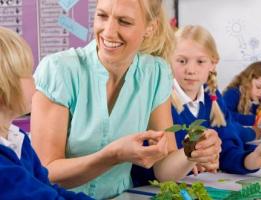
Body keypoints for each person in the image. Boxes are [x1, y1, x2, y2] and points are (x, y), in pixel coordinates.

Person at [31, 1, 221, 199]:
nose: (109, 32)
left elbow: (163, 171)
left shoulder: (155, 73)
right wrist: (113, 156)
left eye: (124, 21)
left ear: (150, 28)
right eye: (102, 16)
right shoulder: (59, 70)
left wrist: (191, 153)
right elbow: (46, 174)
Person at [170, 25, 261, 175]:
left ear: (213, 63)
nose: (190, 70)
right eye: (182, 61)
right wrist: (187, 162)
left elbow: (227, 151)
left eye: (200, 61)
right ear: (169, 59)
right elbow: (152, 163)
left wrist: (253, 159)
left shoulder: (213, 97)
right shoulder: (161, 100)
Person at [0, 27, 93, 200]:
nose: (34, 79)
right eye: (27, 74)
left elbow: (49, 189)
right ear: (3, 89)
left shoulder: (18, 139)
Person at [223, 61, 261, 130]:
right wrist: (254, 119)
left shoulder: (256, 100)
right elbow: (224, 116)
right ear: (247, 81)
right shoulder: (232, 93)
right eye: (258, 87)